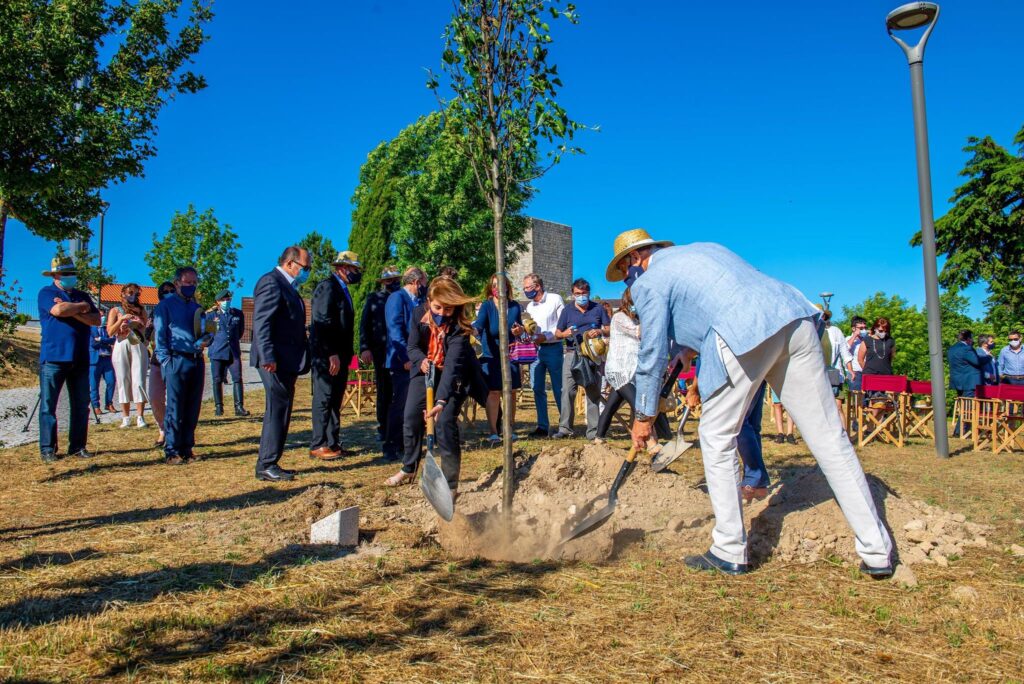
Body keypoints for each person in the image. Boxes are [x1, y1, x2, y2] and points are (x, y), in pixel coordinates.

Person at [610, 228, 893, 577]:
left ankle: (728, 549)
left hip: (742, 330)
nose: (627, 282)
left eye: (624, 272)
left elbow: (651, 352)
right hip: (795, 318)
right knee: (829, 439)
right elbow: (717, 300)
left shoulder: (648, 281)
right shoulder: (704, 250)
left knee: (716, 436)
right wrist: (686, 348)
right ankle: (877, 551)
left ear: (634, 259)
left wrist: (643, 415)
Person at [385, 277, 489, 490]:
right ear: (429, 301)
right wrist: (421, 360)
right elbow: (412, 346)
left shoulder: (460, 328)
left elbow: (452, 367)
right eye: (437, 307)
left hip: (454, 376)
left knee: (444, 423)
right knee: (411, 417)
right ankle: (409, 467)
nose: (442, 313)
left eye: (448, 309)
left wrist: (441, 401)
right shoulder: (417, 315)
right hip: (424, 371)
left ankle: (450, 484)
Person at [251, 246, 313, 482]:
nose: (307, 272)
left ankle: (270, 461)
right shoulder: (271, 282)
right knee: (277, 410)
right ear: (290, 263)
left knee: (282, 409)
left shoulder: (289, 287)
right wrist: (267, 356)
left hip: (287, 359)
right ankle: (266, 463)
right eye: (305, 268)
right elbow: (262, 322)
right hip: (274, 360)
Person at [36, 256, 101, 462]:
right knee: (49, 406)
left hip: (80, 357)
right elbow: (57, 310)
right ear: (55, 275)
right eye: (65, 274)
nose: (70, 277)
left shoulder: (82, 296)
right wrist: (79, 309)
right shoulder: (47, 293)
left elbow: (96, 319)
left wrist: (74, 309)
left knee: (81, 404)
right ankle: (48, 449)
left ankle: (78, 446)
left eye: (72, 274)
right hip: (54, 357)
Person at [595, 288, 671, 444]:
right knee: (640, 405)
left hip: (632, 371)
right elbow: (638, 332)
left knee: (611, 406)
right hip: (618, 370)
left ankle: (598, 438)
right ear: (628, 302)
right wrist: (657, 319)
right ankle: (652, 444)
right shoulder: (619, 318)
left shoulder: (638, 320)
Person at [153, 267, 210, 465]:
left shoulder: (196, 307)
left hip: (196, 359)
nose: (191, 287)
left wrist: (206, 339)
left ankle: (187, 447)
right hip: (176, 360)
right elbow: (159, 337)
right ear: (177, 283)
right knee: (175, 408)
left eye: (194, 283)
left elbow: (202, 332)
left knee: (192, 407)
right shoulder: (165, 306)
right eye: (187, 283)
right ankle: (172, 450)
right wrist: (166, 362)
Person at [308, 250, 362, 460]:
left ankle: (332, 441)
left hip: (341, 355)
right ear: (341, 268)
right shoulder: (327, 287)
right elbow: (322, 321)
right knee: (324, 397)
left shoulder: (343, 290)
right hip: (327, 356)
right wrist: (331, 352)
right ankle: (318, 442)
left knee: (335, 399)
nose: (356, 273)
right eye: (353, 269)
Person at [552, 278, 610, 440]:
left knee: (593, 391)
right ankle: (565, 428)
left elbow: (609, 329)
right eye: (577, 294)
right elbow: (557, 333)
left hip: (593, 355)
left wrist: (599, 331)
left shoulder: (598, 309)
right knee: (567, 391)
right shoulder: (567, 311)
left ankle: (593, 431)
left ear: (588, 293)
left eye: (584, 293)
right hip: (572, 353)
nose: (581, 296)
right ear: (573, 294)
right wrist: (566, 334)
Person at [473, 273, 525, 444]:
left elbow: (518, 326)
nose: (497, 288)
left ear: (507, 287)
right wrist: (470, 332)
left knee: (510, 392)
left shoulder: (515, 306)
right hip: (491, 355)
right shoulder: (487, 306)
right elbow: (479, 325)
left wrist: (519, 330)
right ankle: (493, 431)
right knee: (494, 392)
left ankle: (509, 428)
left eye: (500, 285)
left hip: (511, 355)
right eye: (494, 285)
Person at [383, 267, 428, 461]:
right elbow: (395, 332)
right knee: (400, 404)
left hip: (417, 360)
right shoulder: (397, 299)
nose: (425, 287)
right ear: (417, 282)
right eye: (424, 283)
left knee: (413, 406)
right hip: (402, 362)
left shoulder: (418, 302)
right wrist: (407, 359)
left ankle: (408, 443)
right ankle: (391, 446)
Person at [360, 266, 402, 441]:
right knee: (384, 390)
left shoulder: (402, 298)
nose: (392, 283)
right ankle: (383, 428)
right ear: (383, 282)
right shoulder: (374, 299)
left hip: (400, 351)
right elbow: (365, 324)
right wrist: (365, 348)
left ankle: (398, 428)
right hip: (380, 351)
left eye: (395, 280)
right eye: (388, 280)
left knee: (399, 391)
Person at [522, 273, 564, 438]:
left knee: (558, 388)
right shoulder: (530, 307)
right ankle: (542, 426)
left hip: (553, 347)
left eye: (527, 288)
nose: (525, 291)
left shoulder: (555, 299)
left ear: (537, 286)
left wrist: (545, 336)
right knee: (537, 387)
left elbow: (562, 325)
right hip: (535, 350)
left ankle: (564, 425)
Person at [107, 283, 150, 427]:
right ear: (123, 294)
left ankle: (140, 416)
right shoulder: (115, 310)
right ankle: (125, 417)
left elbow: (146, 331)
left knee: (139, 379)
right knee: (123, 378)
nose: (133, 296)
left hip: (137, 343)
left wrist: (138, 324)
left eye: (136, 293)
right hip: (121, 342)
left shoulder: (142, 310)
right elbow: (110, 332)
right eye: (130, 292)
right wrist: (121, 321)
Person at [207, 288, 249, 417]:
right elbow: (209, 334)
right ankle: (219, 407)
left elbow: (240, 332)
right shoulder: (211, 315)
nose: (226, 301)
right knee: (217, 379)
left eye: (228, 299)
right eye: (223, 300)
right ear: (218, 302)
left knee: (237, 378)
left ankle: (239, 406)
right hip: (217, 351)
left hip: (233, 351)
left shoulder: (237, 314)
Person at [148, 281, 176, 448]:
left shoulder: (181, 312)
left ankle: (172, 434)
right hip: (157, 361)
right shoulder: (154, 313)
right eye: (165, 291)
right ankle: (162, 427)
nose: (169, 293)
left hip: (175, 360)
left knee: (174, 399)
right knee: (155, 398)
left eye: (172, 290)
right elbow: (145, 334)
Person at [948, 329, 982, 438]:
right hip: (969, 382)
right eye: (971, 338)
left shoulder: (952, 349)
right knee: (967, 408)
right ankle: (961, 431)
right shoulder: (967, 349)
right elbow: (977, 361)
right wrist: (987, 357)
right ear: (968, 339)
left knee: (963, 407)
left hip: (958, 381)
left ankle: (962, 430)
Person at [822, 310, 852, 424]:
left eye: (823, 315)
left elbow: (845, 353)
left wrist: (850, 371)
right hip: (818, 374)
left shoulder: (835, 331)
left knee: (838, 406)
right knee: (821, 407)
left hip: (835, 373)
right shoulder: (812, 331)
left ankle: (844, 435)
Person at [89, 309, 116, 418]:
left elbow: (113, 340)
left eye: (103, 315)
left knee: (111, 381)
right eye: (100, 316)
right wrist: (105, 341)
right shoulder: (90, 329)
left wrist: (100, 339)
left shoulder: (106, 329)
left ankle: (109, 403)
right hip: (94, 360)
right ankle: (96, 406)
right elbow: (93, 344)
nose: (102, 318)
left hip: (107, 359)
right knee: (94, 384)